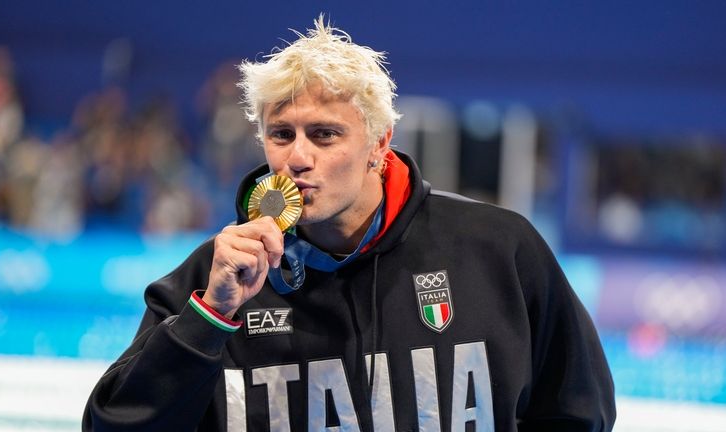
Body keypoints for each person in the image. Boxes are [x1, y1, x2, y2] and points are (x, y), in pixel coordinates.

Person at [84, 16, 616, 431]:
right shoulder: (215, 278)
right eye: (281, 134)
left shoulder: (499, 252)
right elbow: (114, 425)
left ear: (378, 144)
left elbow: (579, 411)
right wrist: (211, 318)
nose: (296, 157)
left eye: (324, 135)